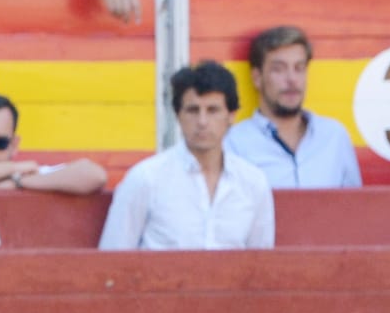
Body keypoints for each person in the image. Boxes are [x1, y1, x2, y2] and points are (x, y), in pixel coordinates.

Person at [99, 61, 274, 250]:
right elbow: (113, 257)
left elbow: (260, 264)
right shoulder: (145, 178)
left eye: (213, 110)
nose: (202, 122)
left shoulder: (253, 182)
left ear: (231, 116)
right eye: (193, 110)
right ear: (178, 115)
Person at [224, 25, 362, 189]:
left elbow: (355, 208)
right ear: (257, 78)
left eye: (299, 68)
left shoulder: (334, 136)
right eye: (279, 69)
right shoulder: (235, 142)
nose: (292, 79)